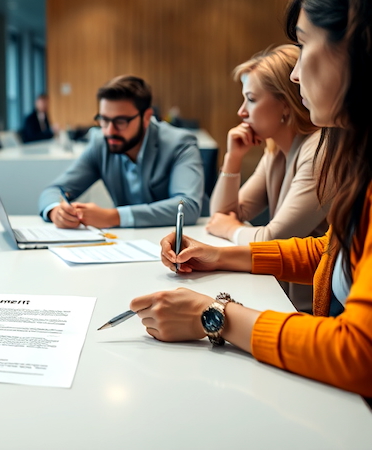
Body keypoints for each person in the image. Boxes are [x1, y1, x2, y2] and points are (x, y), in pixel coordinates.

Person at [131, 0, 372, 397]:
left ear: (359, 50)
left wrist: (214, 315)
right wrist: (220, 254)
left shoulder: (325, 152)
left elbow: (359, 353)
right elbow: (332, 253)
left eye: (305, 43)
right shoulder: (322, 155)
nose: (296, 74)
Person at [208, 44, 329, 311]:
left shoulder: (320, 150)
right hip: (279, 296)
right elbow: (220, 212)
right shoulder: (275, 149)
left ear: (285, 105)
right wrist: (233, 159)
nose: (241, 111)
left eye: (251, 99)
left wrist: (229, 228)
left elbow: (271, 241)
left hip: (316, 311)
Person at [38, 75, 204, 228]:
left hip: (184, 244)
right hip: (127, 245)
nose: (110, 131)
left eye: (121, 121)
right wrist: (56, 211)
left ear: (146, 117)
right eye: (104, 120)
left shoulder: (179, 143)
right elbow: (53, 190)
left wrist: (114, 217)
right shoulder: (101, 143)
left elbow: (187, 207)